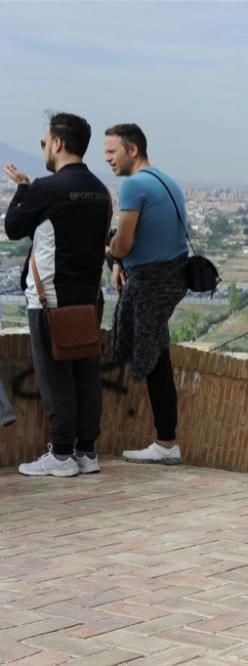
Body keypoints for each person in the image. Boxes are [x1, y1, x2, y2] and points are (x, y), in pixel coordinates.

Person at [4, 112, 110, 477]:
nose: (45, 148)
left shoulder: (47, 188)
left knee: (54, 375)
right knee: (85, 373)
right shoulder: (100, 190)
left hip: (50, 300)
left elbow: (14, 228)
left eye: (44, 142)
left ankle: (61, 454)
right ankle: (86, 451)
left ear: (58, 143)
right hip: (88, 298)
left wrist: (22, 188)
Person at [104, 123, 188, 465]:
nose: (108, 159)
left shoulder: (135, 185)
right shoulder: (167, 181)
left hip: (151, 280)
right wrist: (119, 262)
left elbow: (123, 243)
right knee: (156, 352)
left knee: (153, 358)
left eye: (112, 151)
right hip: (170, 275)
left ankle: (166, 443)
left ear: (132, 149)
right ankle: (166, 441)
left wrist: (110, 252)